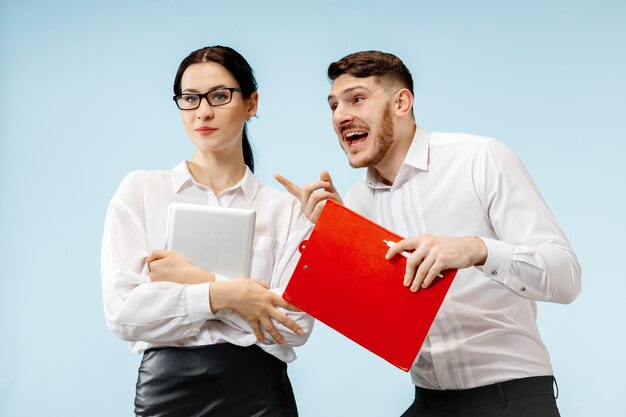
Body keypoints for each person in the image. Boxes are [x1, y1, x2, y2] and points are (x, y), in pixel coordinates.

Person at [276, 50, 581, 417]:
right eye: (333, 106)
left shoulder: (480, 158)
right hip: (429, 400)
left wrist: (476, 250)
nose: (341, 116)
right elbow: (380, 321)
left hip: (511, 397)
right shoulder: (356, 202)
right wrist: (341, 238)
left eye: (357, 99)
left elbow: (566, 277)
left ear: (401, 102)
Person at [101, 45, 314, 417]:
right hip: (167, 393)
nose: (203, 111)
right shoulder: (142, 191)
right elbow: (124, 313)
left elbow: (294, 326)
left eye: (219, 96)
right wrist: (228, 294)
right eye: (190, 98)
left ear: (251, 103)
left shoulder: (286, 211)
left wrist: (195, 280)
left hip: (261, 395)